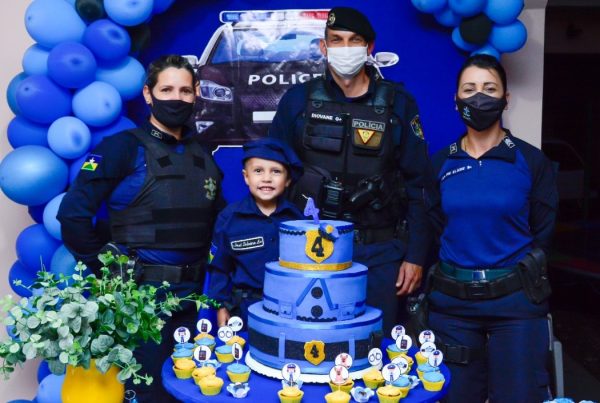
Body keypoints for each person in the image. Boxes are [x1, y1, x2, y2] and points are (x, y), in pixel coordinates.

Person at [57, 55, 224, 402]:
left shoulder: (202, 153)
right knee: (147, 394)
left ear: (196, 93)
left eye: (184, 91)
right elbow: (72, 215)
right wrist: (105, 270)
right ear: (148, 94)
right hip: (141, 302)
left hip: (192, 299)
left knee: (190, 390)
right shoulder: (121, 148)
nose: (176, 98)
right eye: (166, 90)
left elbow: (219, 222)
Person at [269, 6, 433, 333]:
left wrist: (415, 256)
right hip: (310, 249)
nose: (345, 48)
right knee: (313, 344)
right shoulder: (297, 101)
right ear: (323, 47)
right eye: (337, 40)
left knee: (376, 347)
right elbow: (274, 175)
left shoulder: (399, 103)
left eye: (354, 40)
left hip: (380, 252)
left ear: (369, 47)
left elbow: (420, 185)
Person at [426, 54, 558, 402]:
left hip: (516, 305)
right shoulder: (440, 163)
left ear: (505, 98)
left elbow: (543, 231)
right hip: (452, 307)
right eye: (469, 89)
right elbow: (433, 227)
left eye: (489, 89)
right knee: (454, 395)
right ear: (456, 99)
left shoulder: (531, 161)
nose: (479, 98)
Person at [207, 138, 304, 328]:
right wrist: (220, 306)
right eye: (258, 171)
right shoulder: (230, 218)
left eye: (276, 171)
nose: (267, 178)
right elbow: (219, 268)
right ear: (246, 177)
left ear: (287, 180)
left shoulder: (298, 220)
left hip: (291, 309)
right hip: (245, 309)